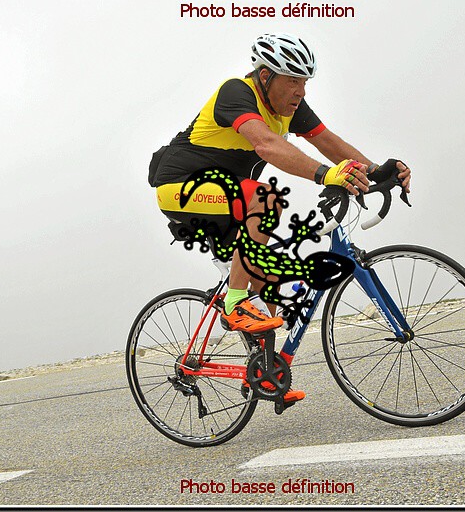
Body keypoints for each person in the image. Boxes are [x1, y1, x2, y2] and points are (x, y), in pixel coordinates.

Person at [149, 33, 411, 393]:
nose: (300, 91)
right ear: (266, 76)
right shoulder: (236, 93)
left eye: (304, 81)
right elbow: (266, 144)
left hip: (227, 196)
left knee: (269, 277)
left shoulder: (290, 107)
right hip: (180, 187)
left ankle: (266, 373)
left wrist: (377, 171)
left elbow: (328, 142)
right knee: (265, 199)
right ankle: (234, 304)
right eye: (293, 80)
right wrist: (326, 174)